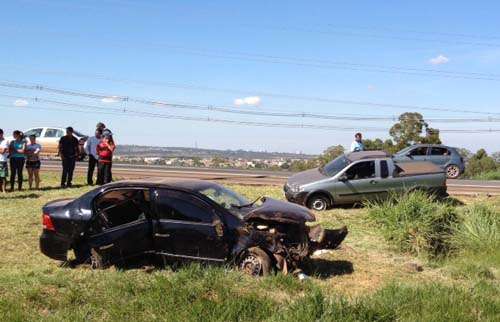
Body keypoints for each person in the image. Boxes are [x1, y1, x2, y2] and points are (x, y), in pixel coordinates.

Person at [0, 129, 9, 193]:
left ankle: (3, 190)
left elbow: (2, 151)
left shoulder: (5, 141)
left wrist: (1, 150)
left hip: (2, 161)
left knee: (3, 176)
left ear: (2, 134)